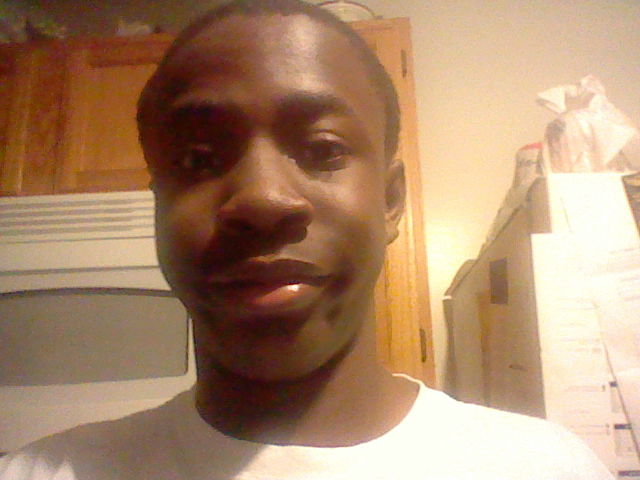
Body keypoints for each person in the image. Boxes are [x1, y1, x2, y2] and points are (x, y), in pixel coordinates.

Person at [0, 1, 613, 478]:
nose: (263, 199)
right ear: (159, 205)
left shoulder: (545, 469)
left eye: (323, 150)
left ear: (391, 201)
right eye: (198, 159)